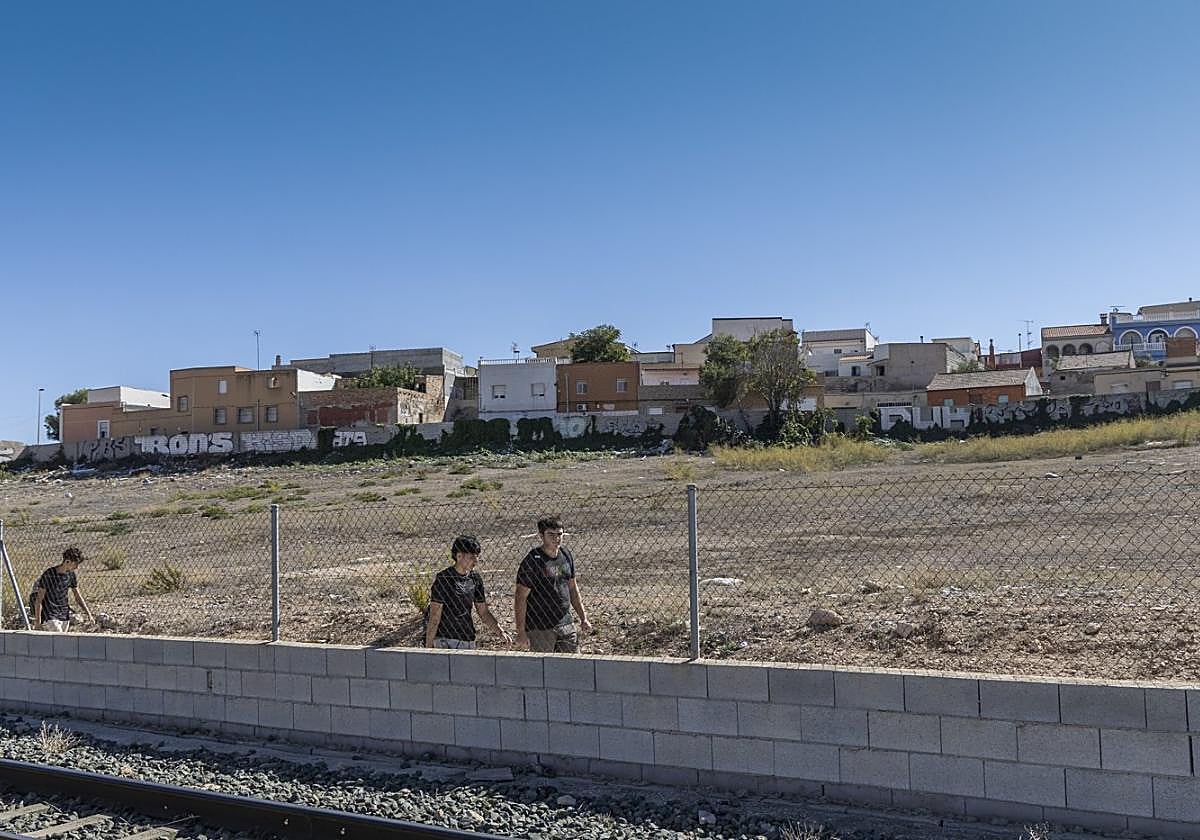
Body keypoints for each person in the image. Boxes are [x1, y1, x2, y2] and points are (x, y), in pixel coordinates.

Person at [514, 517, 591, 653]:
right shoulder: (533, 560)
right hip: (541, 627)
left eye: (560, 534)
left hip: (565, 622)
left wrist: (583, 617)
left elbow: (572, 588)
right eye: (551, 534)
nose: (556, 538)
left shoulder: (565, 554)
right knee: (543, 664)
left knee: (573, 662)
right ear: (541, 536)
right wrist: (521, 631)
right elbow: (520, 597)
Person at [425, 535, 511, 649]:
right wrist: (429, 646)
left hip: (467, 639)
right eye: (471, 557)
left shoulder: (475, 578)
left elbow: (483, 612)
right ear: (459, 556)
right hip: (446, 640)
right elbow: (435, 616)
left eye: (477, 556)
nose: (475, 561)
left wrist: (500, 632)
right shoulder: (444, 579)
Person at [32, 546, 94, 632]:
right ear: (67, 561)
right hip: (50, 616)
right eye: (75, 564)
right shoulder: (49, 574)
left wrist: (89, 614)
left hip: (64, 615)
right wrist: (37, 622)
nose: (77, 567)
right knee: (59, 637)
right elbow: (39, 599)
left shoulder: (71, 575)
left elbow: (78, 597)